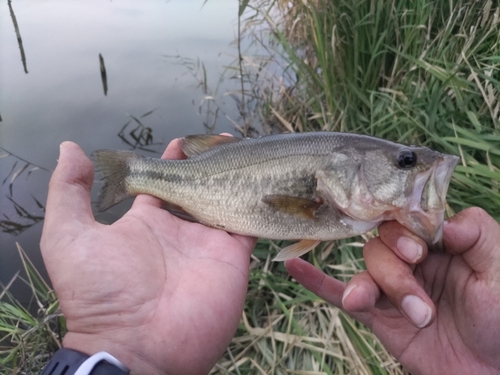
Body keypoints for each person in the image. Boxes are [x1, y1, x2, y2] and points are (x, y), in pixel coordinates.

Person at [40, 139, 500, 375]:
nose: (419, 166)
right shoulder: (330, 204)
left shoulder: (342, 210)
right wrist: (122, 343)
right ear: (347, 166)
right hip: (199, 190)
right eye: (404, 162)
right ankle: (135, 173)